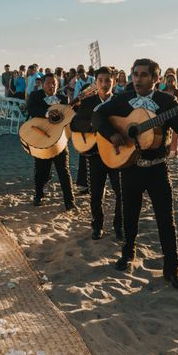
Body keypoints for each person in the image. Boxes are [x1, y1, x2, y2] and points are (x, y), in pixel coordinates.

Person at [92, 58, 178, 290]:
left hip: (157, 167)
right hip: (131, 167)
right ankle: (128, 253)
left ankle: (172, 267)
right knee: (130, 215)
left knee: (166, 219)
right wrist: (111, 134)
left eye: (144, 75)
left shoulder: (167, 100)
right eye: (135, 74)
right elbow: (98, 117)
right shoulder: (123, 98)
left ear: (156, 78)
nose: (138, 79)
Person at [70, 66, 123, 240]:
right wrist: (94, 126)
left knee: (120, 191)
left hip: (117, 153)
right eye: (101, 80)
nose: (104, 83)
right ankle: (97, 225)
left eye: (108, 80)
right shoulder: (88, 103)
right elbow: (74, 125)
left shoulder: (121, 102)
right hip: (95, 153)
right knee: (96, 192)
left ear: (113, 81)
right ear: (95, 82)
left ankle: (118, 225)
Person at [27, 73, 77, 211]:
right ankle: (39, 195)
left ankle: (70, 201)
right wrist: (46, 113)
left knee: (64, 170)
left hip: (59, 140)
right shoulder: (35, 96)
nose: (52, 85)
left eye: (54, 83)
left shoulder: (63, 98)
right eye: (48, 83)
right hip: (41, 137)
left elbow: (67, 118)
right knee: (40, 170)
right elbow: (31, 109)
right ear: (43, 84)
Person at [161, 72, 178, 158]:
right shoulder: (163, 91)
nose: (170, 83)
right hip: (165, 113)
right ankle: (166, 149)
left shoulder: (177, 91)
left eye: (172, 81)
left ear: (175, 81)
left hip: (175, 112)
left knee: (175, 133)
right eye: (168, 81)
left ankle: (174, 150)